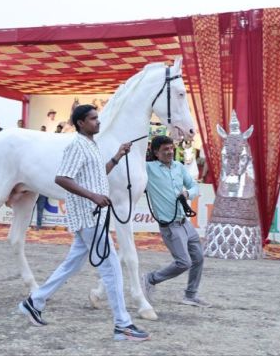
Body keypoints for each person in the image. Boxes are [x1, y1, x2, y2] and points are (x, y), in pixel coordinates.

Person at [18, 104, 149, 341]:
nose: (98, 122)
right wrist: (93, 196)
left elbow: (97, 175)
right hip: (88, 215)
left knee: (72, 265)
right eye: (93, 118)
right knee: (111, 268)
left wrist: (117, 157)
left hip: (91, 215)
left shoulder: (91, 145)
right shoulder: (77, 146)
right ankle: (123, 324)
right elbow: (61, 178)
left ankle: (34, 302)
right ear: (80, 123)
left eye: (97, 118)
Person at [142, 135, 210, 308]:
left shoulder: (179, 166)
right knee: (184, 262)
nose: (170, 152)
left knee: (198, 258)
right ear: (155, 152)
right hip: (170, 226)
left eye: (171, 148)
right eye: (165, 149)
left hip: (185, 223)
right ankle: (150, 279)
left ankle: (190, 295)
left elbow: (194, 186)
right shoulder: (147, 168)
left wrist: (188, 193)